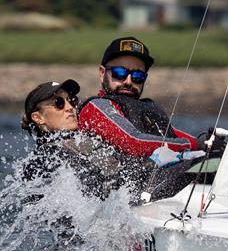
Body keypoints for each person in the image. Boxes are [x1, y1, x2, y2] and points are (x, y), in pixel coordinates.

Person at [21, 79, 203, 203]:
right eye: (59, 103)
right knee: (205, 163)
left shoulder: (82, 138)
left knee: (207, 159)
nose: (70, 108)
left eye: (72, 100)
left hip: (138, 193)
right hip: (121, 212)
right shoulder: (45, 158)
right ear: (38, 118)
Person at [77, 36, 205, 168]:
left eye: (138, 76)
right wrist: (192, 145)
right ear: (102, 72)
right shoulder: (96, 108)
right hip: (118, 187)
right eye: (120, 73)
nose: (128, 81)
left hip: (158, 182)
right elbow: (132, 142)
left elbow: (173, 136)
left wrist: (207, 143)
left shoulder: (145, 110)